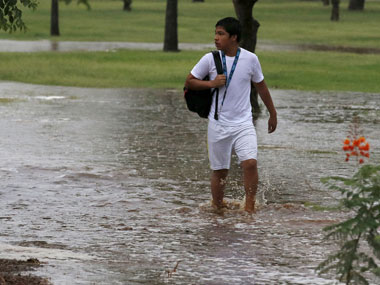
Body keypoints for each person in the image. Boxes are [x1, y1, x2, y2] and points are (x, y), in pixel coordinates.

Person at [184, 17, 277, 213]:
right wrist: (211, 83)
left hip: (243, 123)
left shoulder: (251, 59)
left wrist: (272, 113)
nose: (216, 38)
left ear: (234, 37)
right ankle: (217, 208)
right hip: (218, 123)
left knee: (250, 163)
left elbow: (261, 87)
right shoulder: (210, 59)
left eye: (221, 34)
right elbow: (190, 82)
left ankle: (249, 208)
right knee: (220, 171)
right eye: (216, 33)